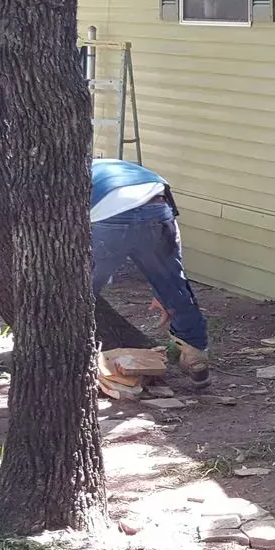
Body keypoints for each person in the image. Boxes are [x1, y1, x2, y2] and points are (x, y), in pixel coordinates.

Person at [90, 158, 210, 388]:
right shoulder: (125, 168)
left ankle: (72, 354)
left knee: (80, 292)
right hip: (157, 206)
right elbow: (169, 222)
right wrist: (162, 288)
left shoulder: (72, 175)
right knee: (175, 287)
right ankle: (197, 360)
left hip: (111, 215)